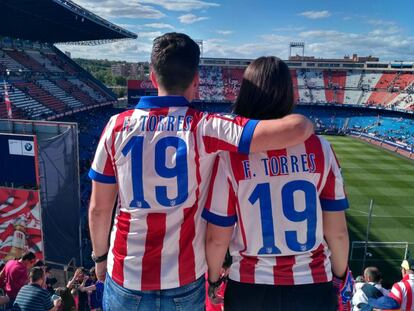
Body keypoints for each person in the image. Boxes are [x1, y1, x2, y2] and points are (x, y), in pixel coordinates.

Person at [88, 33, 314, 310]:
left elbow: (99, 208)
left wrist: (100, 259)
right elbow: (298, 128)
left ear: (152, 76)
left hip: (126, 275)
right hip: (184, 279)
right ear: (196, 79)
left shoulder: (116, 126)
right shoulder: (207, 127)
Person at [204, 56, 352, 311]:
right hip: (312, 286)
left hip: (249, 288)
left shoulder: (229, 156)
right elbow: (337, 232)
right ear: (288, 93)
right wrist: (340, 277)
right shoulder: (321, 149)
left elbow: (217, 239)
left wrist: (214, 279)